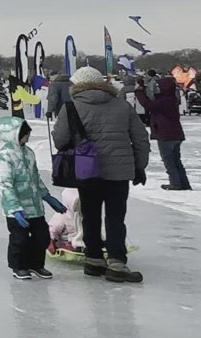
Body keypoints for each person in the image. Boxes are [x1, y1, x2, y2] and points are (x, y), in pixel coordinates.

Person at [52, 66, 149, 283]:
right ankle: (116, 262)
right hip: (119, 172)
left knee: (90, 215)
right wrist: (139, 166)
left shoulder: (71, 107)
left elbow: (60, 141)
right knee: (116, 217)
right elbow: (141, 138)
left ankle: (94, 259)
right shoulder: (122, 106)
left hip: (87, 171)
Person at [0, 115, 64, 279]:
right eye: (25, 134)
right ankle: (19, 266)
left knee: (42, 237)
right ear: (15, 134)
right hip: (17, 209)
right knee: (19, 240)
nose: (28, 136)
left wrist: (47, 196)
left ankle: (36, 265)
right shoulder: (5, 155)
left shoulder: (29, 153)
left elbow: (35, 178)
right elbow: (5, 184)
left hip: (35, 206)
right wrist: (14, 209)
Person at [138, 70, 190, 190]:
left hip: (166, 134)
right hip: (175, 133)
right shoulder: (171, 98)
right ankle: (183, 182)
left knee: (169, 160)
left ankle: (175, 183)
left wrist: (139, 93)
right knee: (176, 160)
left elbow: (148, 105)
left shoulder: (164, 100)